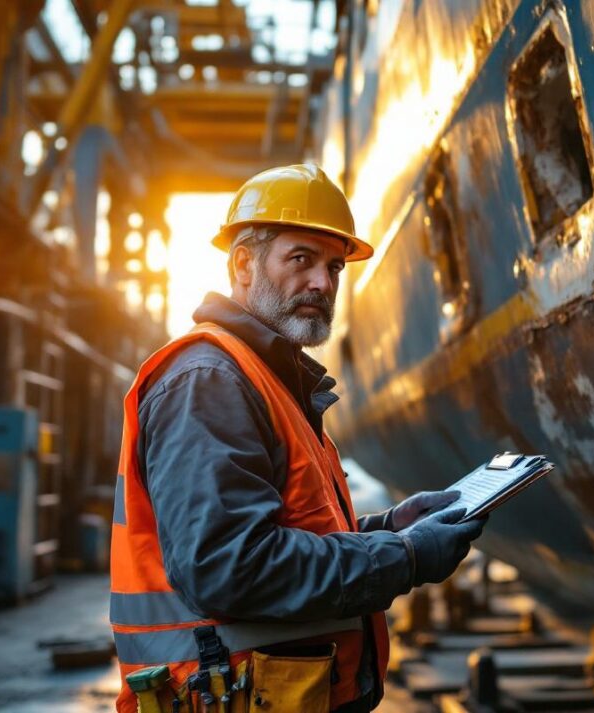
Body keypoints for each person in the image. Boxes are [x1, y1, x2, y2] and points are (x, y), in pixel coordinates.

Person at [109, 164, 486, 713]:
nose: (323, 283)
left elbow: (280, 532)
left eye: (334, 266)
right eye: (301, 259)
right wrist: (402, 557)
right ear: (243, 263)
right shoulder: (210, 382)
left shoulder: (266, 381)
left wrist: (385, 528)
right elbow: (229, 567)